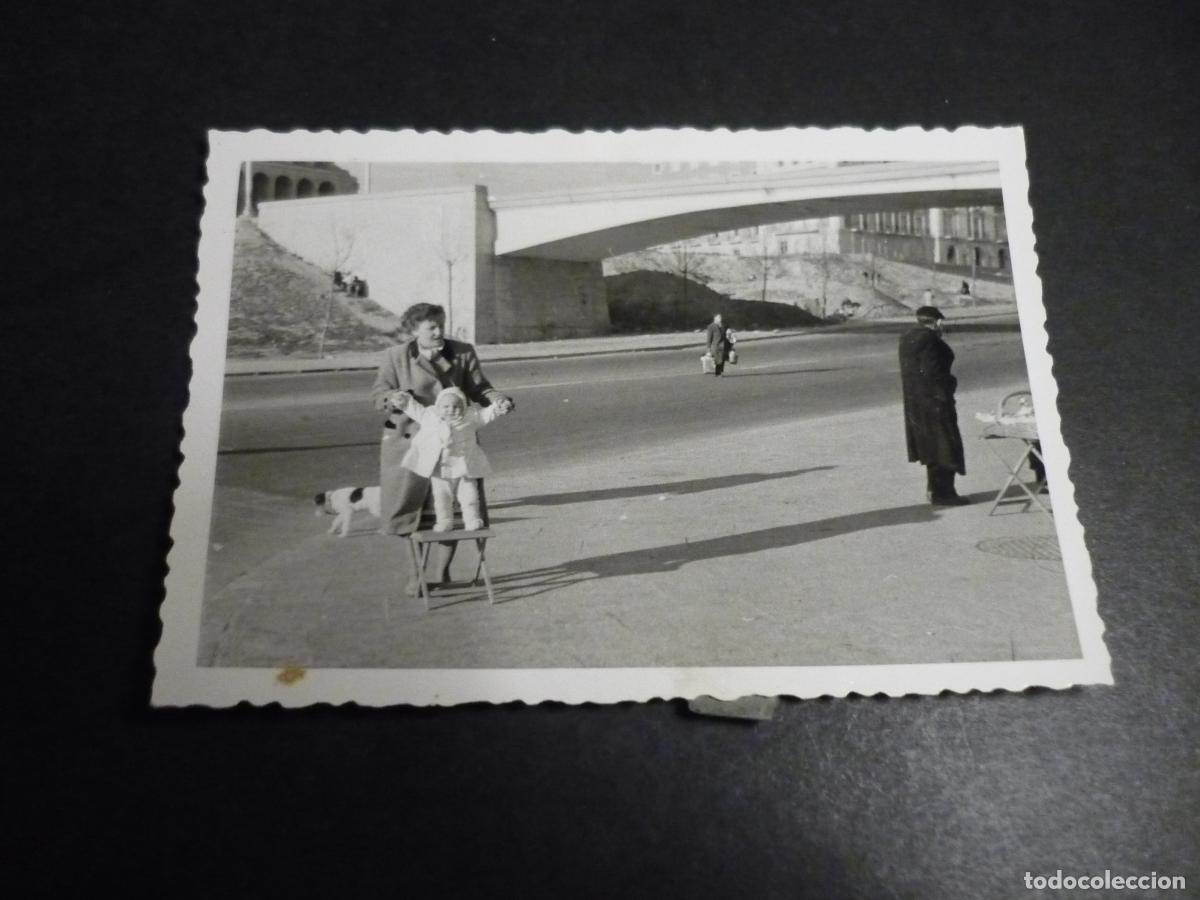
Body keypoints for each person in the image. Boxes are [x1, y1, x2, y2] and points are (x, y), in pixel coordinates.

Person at [371, 303, 514, 587]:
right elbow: (379, 393)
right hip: (409, 444)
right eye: (431, 327)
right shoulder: (395, 356)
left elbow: (480, 387)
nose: (439, 332)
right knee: (411, 514)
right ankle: (417, 576)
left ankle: (441, 573)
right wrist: (394, 398)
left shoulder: (462, 352)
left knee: (456, 511)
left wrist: (498, 399)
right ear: (413, 330)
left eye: (441, 325)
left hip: (454, 446)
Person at [389, 386, 509, 532]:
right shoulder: (429, 415)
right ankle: (445, 521)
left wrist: (499, 406)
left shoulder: (471, 417)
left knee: (470, 497)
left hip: (465, 466)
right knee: (441, 497)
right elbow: (414, 408)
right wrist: (402, 401)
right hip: (440, 467)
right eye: (446, 406)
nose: (451, 409)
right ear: (438, 407)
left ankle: (472, 520)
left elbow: (487, 414)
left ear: (464, 406)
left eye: (456, 406)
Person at [899, 306, 969, 506]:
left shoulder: (907, 338)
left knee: (932, 447)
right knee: (945, 445)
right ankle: (943, 493)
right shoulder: (930, 340)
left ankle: (934, 490)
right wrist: (949, 385)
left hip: (916, 404)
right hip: (936, 401)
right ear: (937, 322)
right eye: (941, 322)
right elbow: (933, 372)